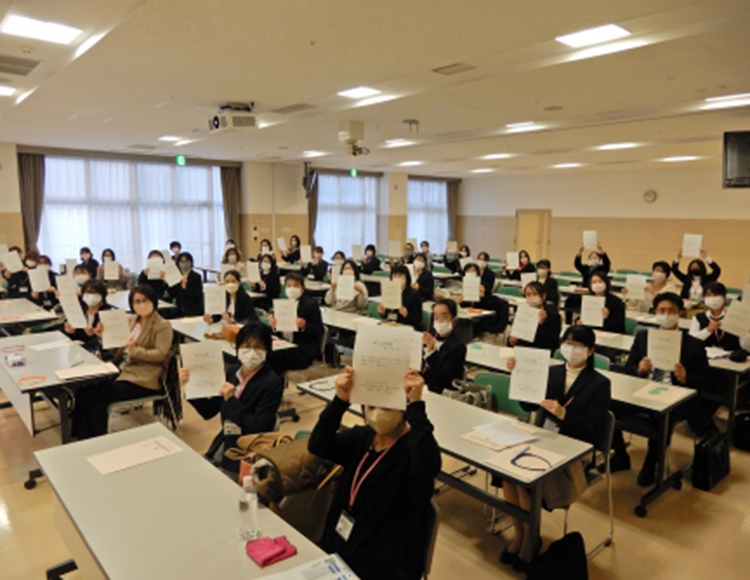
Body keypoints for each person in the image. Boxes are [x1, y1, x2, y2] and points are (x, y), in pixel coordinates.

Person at [308, 366, 441, 580]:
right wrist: (340, 401)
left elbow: (429, 466)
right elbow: (318, 444)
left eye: (387, 407)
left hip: (382, 566)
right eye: (371, 406)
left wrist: (416, 405)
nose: (377, 413)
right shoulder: (363, 438)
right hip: (339, 552)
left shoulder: (413, 450)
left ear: (403, 409)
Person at [502, 326, 611, 570]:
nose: (572, 349)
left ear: (591, 351)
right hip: (543, 439)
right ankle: (520, 534)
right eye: (568, 343)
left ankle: (530, 540)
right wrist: (518, 376)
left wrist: (564, 415)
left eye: (579, 345)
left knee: (523, 478)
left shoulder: (599, 383)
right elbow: (529, 405)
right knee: (508, 473)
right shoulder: (552, 372)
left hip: (573, 450)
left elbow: (593, 430)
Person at [610, 292, 712, 484]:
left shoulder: (693, 344)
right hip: (642, 388)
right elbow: (628, 367)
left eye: (671, 311)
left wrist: (686, 377)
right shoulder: (643, 337)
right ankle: (621, 455)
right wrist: (639, 369)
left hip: (675, 395)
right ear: (655, 313)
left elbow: (705, 380)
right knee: (609, 407)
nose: (666, 315)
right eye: (662, 310)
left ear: (680, 313)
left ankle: (651, 464)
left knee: (662, 419)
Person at [72, 285, 173, 439]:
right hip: (122, 369)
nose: (141, 304)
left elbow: (160, 354)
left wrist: (135, 350)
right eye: (137, 301)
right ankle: (78, 435)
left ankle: (94, 439)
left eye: (145, 300)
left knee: (97, 395)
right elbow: (117, 350)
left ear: (153, 301)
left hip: (143, 379)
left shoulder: (162, 325)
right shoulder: (131, 320)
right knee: (84, 387)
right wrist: (104, 337)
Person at [182, 323, 283, 476]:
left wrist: (231, 400)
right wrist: (190, 386)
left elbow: (257, 426)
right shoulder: (232, 372)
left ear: (267, 350)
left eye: (258, 347)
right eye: (246, 346)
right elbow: (208, 411)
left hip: (247, 450)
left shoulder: (272, 383)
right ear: (238, 348)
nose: (252, 351)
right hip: (224, 441)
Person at [268, 273, 324, 374]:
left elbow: (319, 330)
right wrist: (274, 326)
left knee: (274, 359)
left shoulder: (310, 305)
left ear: (302, 288)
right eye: (289, 286)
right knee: (265, 354)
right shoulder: (282, 305)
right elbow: (277, 332)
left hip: (302, 349)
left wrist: (304, 326)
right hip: (284, 345)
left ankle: (276, 381)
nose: (292, 288)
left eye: (296, 285)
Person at [422, 299, 466, 393]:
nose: (439, 321)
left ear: (454, 321)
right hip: (423, 387)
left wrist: (432, 352)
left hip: (442, 391)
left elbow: (445, 377)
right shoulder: (429, 338)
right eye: (436, 317)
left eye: (444, 317)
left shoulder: (458, 347)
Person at [690, 282, 750, 351]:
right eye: (708, 295)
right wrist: (708, 330)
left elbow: (744, 346)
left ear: (724, 296)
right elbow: (691, 342)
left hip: (731, 355)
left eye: (716, 295)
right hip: (705, 355)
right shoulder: (699, 318)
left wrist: (746, 333)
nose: (712, 298)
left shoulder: (735, 317)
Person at [508, 281, 561, 354]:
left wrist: (540, 325)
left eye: (535, 294)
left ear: (543, 296)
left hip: (541, 353)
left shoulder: (553, 315)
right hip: (521, 351)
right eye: (528, 295)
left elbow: (551, 343)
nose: (531, 297)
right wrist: (511, 340)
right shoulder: (523, 312)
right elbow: (516, 336)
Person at [458, 263, 510, 337]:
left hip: (482, 322)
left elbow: (488, 305)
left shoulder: (484, 285)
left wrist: (482, 296)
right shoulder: (463, 289)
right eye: (467, 271)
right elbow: (463, 307)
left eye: (473, 271)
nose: (470, 273)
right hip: (468, 321)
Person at [62, 279, 112, 355]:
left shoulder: (107, 313)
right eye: (88, 293)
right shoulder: (78, 310)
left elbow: (109, 342)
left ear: (102, 295)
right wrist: (71, 332)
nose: (91, 296)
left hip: (95, 352)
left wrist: (93, 335)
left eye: (94, 293)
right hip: (77, 351)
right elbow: (73, 336)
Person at [377, 265, 423, 330]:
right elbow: (388, 314)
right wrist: (383, 312)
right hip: (391, 325)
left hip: (407, 327)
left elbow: (418, 319)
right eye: (394, 275)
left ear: (406, 277)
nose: (397, 278)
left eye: (400, 275)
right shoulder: (389, 292)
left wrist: (407, 314)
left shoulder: (414, 294)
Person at [168, 251, 204, 317]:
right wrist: (167, 282)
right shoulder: (177, 276)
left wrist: (185, 288)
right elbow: (173, 294)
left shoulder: (196, 276)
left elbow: (197, 295)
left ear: (191, 262)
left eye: (186, 261)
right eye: (182, 261)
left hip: (193, 310)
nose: (184, 263)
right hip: (180, 309)